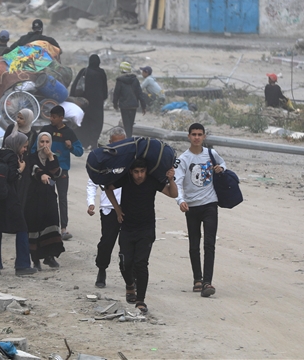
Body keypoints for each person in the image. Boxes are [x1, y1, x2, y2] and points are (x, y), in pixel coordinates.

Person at [104, 159, 177, 314]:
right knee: (125, 262)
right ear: (131, 171)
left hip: (146, 229)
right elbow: (108, 188)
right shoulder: (125, 179)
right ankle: (130, 285)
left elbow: (173, 194)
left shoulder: (152, 181)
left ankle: (140, 301)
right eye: (136, 172)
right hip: (127, 228)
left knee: (141, 264)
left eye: (142, 171)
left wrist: (171, 179)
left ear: (146, 171)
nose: (139, 175)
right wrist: (117, 210)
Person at [174, 123, 225, 298]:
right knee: (194, 244)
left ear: (204, 136)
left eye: (199, 134)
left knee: (209, 244)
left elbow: (222, 163)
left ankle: (207, 282)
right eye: (194, 134)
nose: (196, 137)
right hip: (192, 206)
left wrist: (221, 169)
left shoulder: (211, 154)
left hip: (210, 204)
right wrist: (180, 200)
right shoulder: (183, 159)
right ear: (188, 136)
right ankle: (197, 278)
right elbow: (177, 182)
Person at [0, 129, 37, 276]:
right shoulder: (12, 157)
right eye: (23, 146)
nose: (25, 149)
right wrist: (21, 169)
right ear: (16, 144)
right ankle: (22, 265)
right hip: (9, 199)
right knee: (22, 228)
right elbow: (12, 177)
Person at [34, 105, 83, 241]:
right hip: (46, 171)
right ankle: (44, 227)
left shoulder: (69, 133)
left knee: (62, 198)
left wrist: (70, 146)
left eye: (54, 117)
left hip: (62, 171)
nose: (51, 119)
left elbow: (79, 151)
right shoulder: (46, 130)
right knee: (46, 198)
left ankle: (63, 229)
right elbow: (34, 148)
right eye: (51, 116)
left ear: (62, 118)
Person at [87, 127, 126, 288]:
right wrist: (91, 202)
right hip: (108, 208)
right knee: (107, 242)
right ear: (110, 143)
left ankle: (129, 275)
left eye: (122, 142)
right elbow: (92, 182)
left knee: (127, 243)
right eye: (115, 143)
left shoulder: (130, 158)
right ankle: (101, 269)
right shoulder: (103, 160)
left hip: (128, 207)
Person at [24, 131, 66, 269]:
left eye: (47, 142)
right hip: (34, 197)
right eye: (42, 142)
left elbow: (56, 173)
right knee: (35, 226)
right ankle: (35, 260)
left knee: (51, 223)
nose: (44, 145)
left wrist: (50, 157)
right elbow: (34, 170)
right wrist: (42, 174)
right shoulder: (31, 157)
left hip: (49, 197)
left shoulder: (53, 157)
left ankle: (49, 257)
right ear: (38, 143)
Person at [72, 54, 108, 150]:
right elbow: (105, 89)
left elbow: (75, 85)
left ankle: (84, 143)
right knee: (96, 123)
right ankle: (93, 142)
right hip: (97, 104)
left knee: (84, 122)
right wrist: (103, 98)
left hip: (85, 102)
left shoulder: (84, 71)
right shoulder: (101, 73)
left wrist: (73, 98)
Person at [112, 62, 148, 138]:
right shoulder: (135, 80)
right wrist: (143, 106)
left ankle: (128, 138)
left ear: (121, 70)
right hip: (133, 106)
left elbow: (116, 93)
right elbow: (140, 93)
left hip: (124, 106)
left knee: (126, 124)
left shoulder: (120, 81)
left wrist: (115, 104)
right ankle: (129, 137)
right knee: (130, 124)